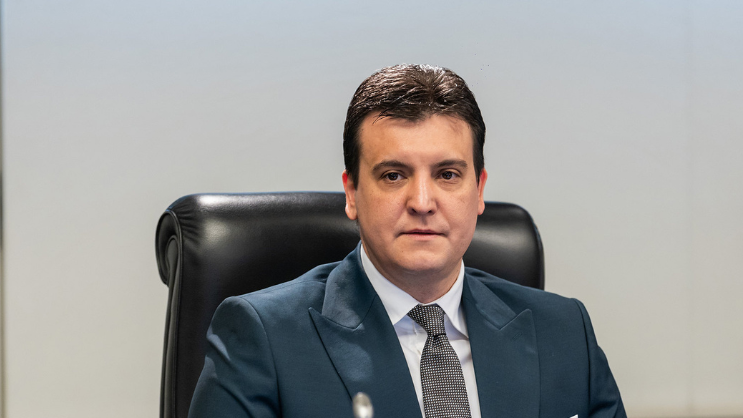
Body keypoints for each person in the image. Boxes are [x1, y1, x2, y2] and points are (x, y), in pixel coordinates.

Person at [188, 64, 626, 418]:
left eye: (447, 175)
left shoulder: (565, 332)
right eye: (394, 175)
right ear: (352, 193)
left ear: (479, 191)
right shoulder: (263, 338)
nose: (422, 202)